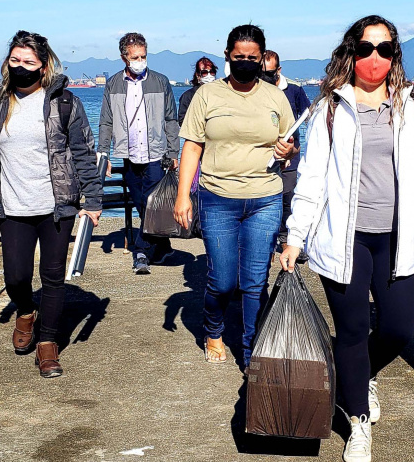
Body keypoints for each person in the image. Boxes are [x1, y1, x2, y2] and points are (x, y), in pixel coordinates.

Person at [279, 15, 414, 462]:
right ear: (351, 53)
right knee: (353, 331)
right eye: (365, 48)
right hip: (345, 238)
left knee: (398, 329)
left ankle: (360, 377)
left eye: (384, 49)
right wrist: (295, 237)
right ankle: (357, 420)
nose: (374, 57)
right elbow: (312, 179)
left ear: (394, 55)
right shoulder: (329, 110)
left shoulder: (413, 108)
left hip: (401, 238)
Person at [0, 30, 104, 378]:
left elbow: (84, 154)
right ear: (6, 63)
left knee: (53, 277)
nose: (21, 67)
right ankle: (26, 310)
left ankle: (48, 345)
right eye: (15, 61)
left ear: (43, 66)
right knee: (15, 277)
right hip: (12, 206)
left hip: (56, 205)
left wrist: (93, 199)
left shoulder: (65, 103)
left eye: (28, 62)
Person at [173, 24, 295, 366]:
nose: (245, 62)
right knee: (223, 281)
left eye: (252, 58)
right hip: (218, 197)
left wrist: (288, 150)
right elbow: (192, 146)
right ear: (227, 57)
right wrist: (183, 195)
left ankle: (251, 351)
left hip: (265, 197)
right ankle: (213, 330)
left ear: (262, 60)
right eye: (239, 57)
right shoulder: (208, 96)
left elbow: (290, 145)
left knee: (255, 282)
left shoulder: (275, 98)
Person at [98, 32, 181, 275]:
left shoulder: (160, 81)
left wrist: (173, 151)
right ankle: (163, 247)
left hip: (156, 153)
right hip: (128, 153)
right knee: (141, 204)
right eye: (136, 57)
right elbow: (105, 121)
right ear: (124, 57)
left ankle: (141, 251)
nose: (141, 61)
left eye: (144, 56)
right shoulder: (113, 84)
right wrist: (104, 153)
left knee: (152, 203)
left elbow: (170, 120)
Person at [260, 50, 311, 262]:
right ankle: (267, 245)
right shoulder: (256, 90)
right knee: (265, 203)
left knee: (288, 200)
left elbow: (309, 116)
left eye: (269, 73)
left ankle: (289, 242)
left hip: (290, 156)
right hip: (264, 158)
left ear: (278, 70)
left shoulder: (294, 92)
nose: (265, 78)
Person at [178, 56, 219, 126]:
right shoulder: (188, 96)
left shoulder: (221, 93)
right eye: (204, 72)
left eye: (212, 72)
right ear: (198, 75)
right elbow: (183, 120)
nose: (209, 76)